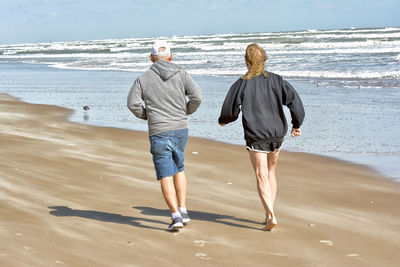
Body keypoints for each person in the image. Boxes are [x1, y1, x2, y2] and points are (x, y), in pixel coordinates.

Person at [218, 43, 305, 231]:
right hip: (277, 133)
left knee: (260, 174)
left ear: (247, 62)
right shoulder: (277, 80)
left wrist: (224, 120)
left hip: (256, 135)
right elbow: (295, 102)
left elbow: (230, 109)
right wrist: (296, 124)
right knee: (271, 173)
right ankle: (268, 213)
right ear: (263, 60)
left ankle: (271, 215)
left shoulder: (241, 83)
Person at [127, 40, 202, 231]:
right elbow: (197, 97)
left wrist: (148, 116)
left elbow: (133, 104)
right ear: (170, 55)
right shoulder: (181, 73)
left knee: (165, 174)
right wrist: (184, 112)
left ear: (151, 57)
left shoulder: (143, 78)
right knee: (179, 167)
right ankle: (183, 209)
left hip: (159, 129)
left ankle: (176, 216)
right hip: (180, 128)